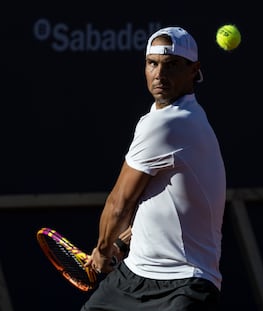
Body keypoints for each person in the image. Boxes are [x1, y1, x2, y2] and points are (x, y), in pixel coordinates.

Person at [81, 26, 226, 311]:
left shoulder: (169, 123)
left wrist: (101, 250)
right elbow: (157, 205)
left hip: (184, 284)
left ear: (193, 70)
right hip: (133, 276)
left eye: (171, 66)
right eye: (152, 64)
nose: (159, 75)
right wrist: (119, 247)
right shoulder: (182, 116)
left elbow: (120, 203)